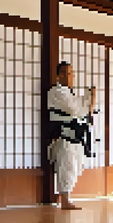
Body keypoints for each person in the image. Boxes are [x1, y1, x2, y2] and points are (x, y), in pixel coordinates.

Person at [47, 61, 96, 210]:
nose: (69, 76)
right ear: (58, 75)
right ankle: (64, 199)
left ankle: (66, 197)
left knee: (74, 167)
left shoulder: (70, 93)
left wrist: (90, 101)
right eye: (65, 73)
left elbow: (82, 110)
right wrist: (88, 101)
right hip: (62, 136)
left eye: (71, 73)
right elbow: (74, 109)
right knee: (66, 166)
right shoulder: (56, 92)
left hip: (75, 136)